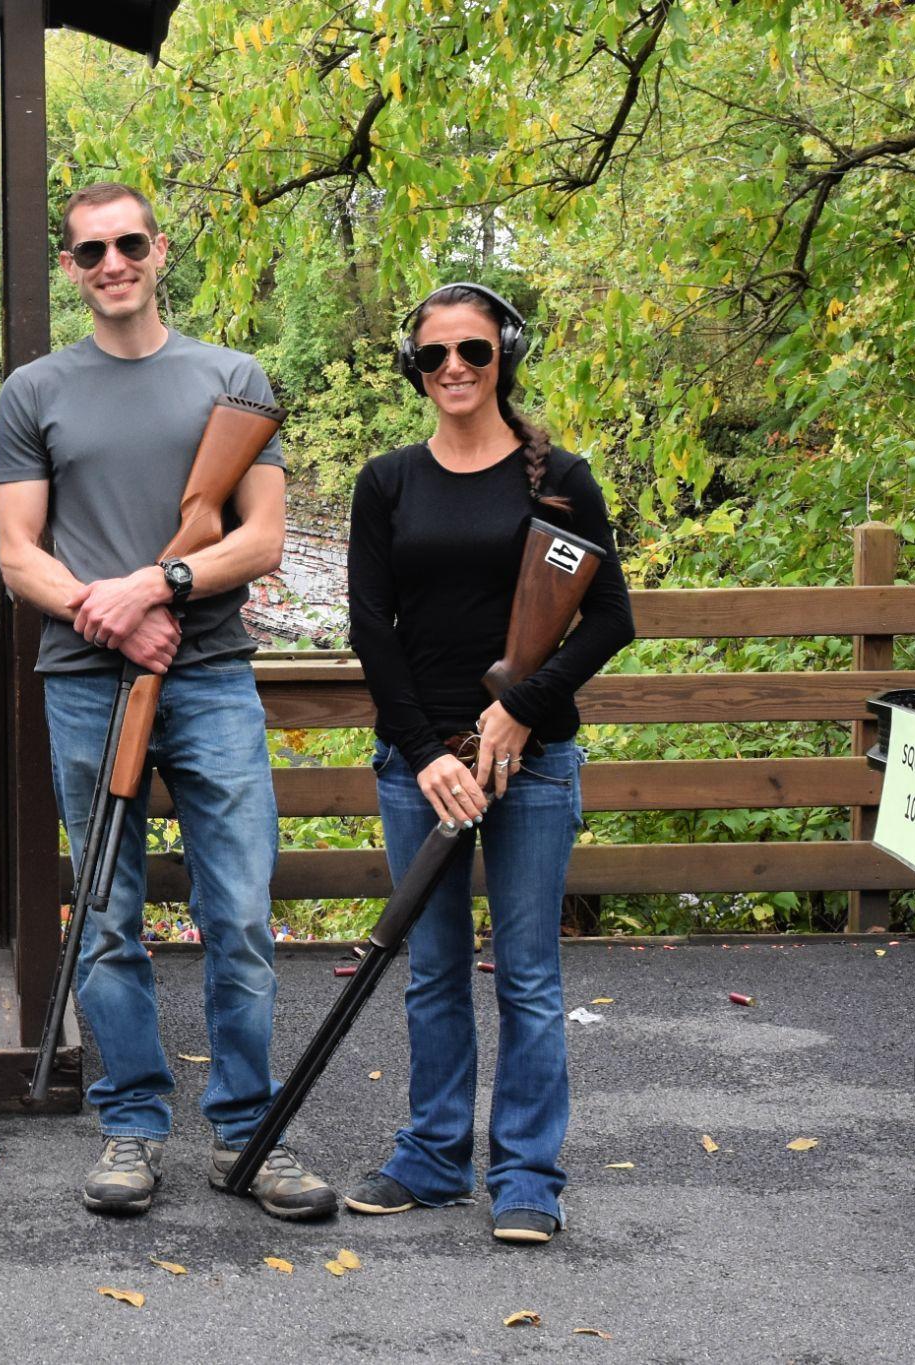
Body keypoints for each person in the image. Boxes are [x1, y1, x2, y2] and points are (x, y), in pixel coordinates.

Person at [0, 181, 333, 1221]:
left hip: (212, 675)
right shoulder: (33, 391)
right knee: (105, 914)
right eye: (91, 250)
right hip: (87, 686)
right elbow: (18, 554)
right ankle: (132, 1124)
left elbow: (261, 539)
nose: (113, 263)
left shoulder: (232, 378)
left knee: (239, 912)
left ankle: (248, 1130)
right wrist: (109, 616)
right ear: (70, 266)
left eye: (129, 243)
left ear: (160, 249)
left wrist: (159, 584)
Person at [343, 282, 634, 1244]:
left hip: (533, 763)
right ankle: (432, 1158)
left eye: (473, 349)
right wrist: (426, 752)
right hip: (419, 767)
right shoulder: (387, 482)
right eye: (434, 354)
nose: (455, 368)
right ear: (414, 367)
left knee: (528, 976)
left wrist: (519, 709)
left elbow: (611, 619)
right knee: (432, 971)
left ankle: (526, 1175)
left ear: (504, 352)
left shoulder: (561, 480)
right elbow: (371, 630)